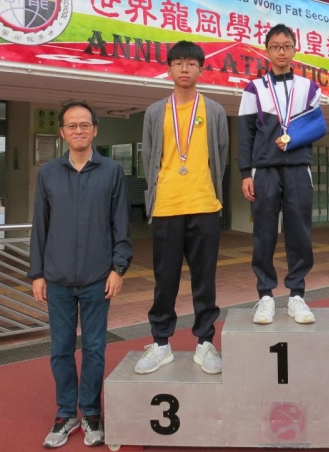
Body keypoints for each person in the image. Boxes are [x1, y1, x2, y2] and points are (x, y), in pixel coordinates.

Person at [29, 101, 134, 448]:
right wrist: (37, 274)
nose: (78, 131)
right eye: (72, 125)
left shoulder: (111, 170)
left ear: (95, 130)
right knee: (60, 349)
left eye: (84, 125)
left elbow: (121, 223)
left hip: (96, 278)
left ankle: (90, 412)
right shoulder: (48, 173)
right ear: (62, 132)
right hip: (56, 279)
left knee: (94, 349)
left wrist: (118, 268)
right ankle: (65, 414)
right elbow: (40, 226)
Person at [134, 41, 229, 376]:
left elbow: (221, 154)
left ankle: (205, 343)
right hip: (167, 206)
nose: (184, 68)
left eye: (191, 63)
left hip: (204, 204)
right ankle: (161, 343)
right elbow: (150, 157)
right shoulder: (155, 112)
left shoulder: (214, 110)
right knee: (165, 280)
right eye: (178, 63)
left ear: (201, 69)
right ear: (170, 69)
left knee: (205, 280)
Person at [239, 24, 321, 325]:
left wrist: (293, 138)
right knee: (264, 232)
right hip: (265, 170)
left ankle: (297, 294)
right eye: (275, 46)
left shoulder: (309, 87)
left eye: (286, 46)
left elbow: (315, 126)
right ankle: (265, 295)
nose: (281, 51)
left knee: (300, 231)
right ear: (267, 51)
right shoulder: (254, 89)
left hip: (298, 168)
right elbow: (245, 133)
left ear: (294, 49)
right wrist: (245, 173)